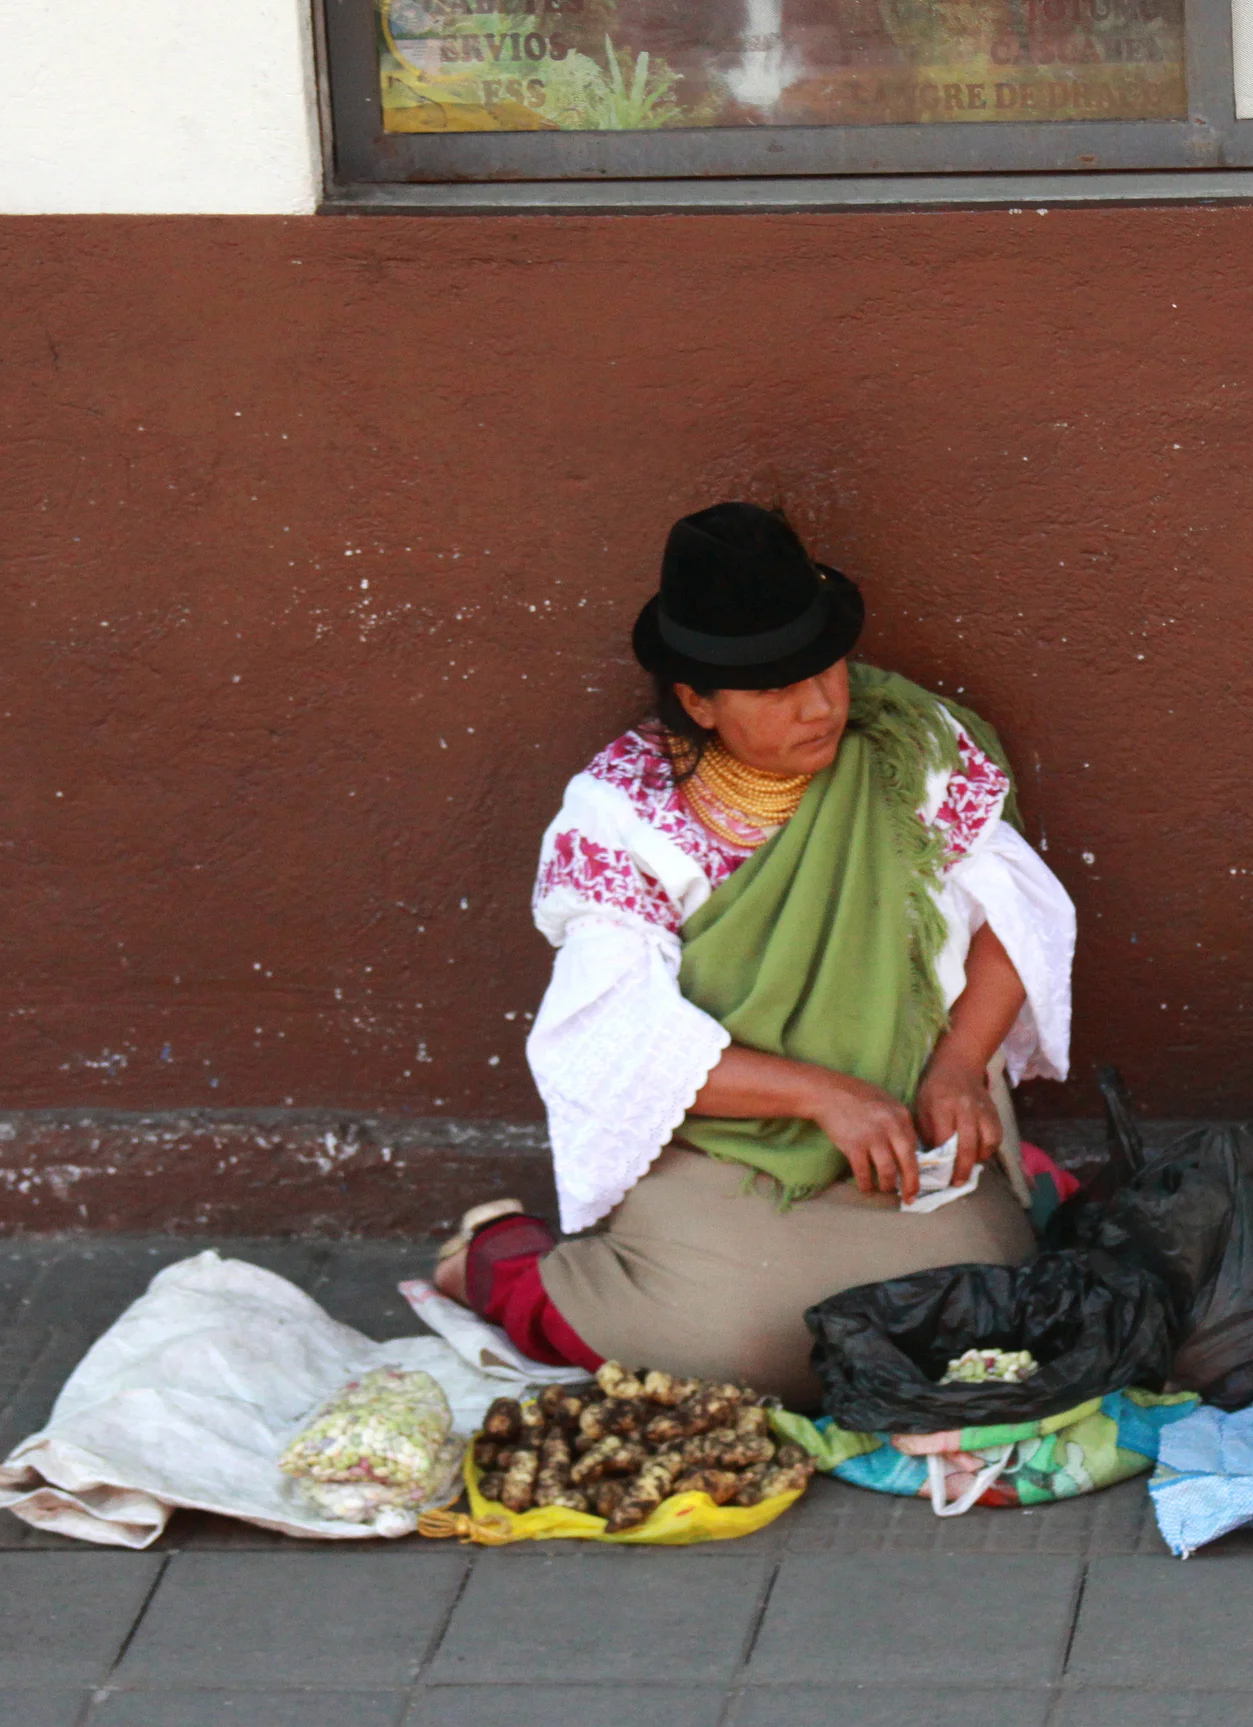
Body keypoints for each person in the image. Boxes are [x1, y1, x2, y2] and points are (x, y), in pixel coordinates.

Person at [433, 502, 1075, 1407]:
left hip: (901, 1117)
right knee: (739, 1348)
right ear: (697, 700)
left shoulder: (908, 748)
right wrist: (821, 1093)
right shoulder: (623, 816)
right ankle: (508, 1264)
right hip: (716, 1144)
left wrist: (960, 1066)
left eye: (826, 669)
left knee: (988, 1315)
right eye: (775, 690)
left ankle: (1015, 1191)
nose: (820, 705)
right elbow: (614, 1037)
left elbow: (1017, 913)